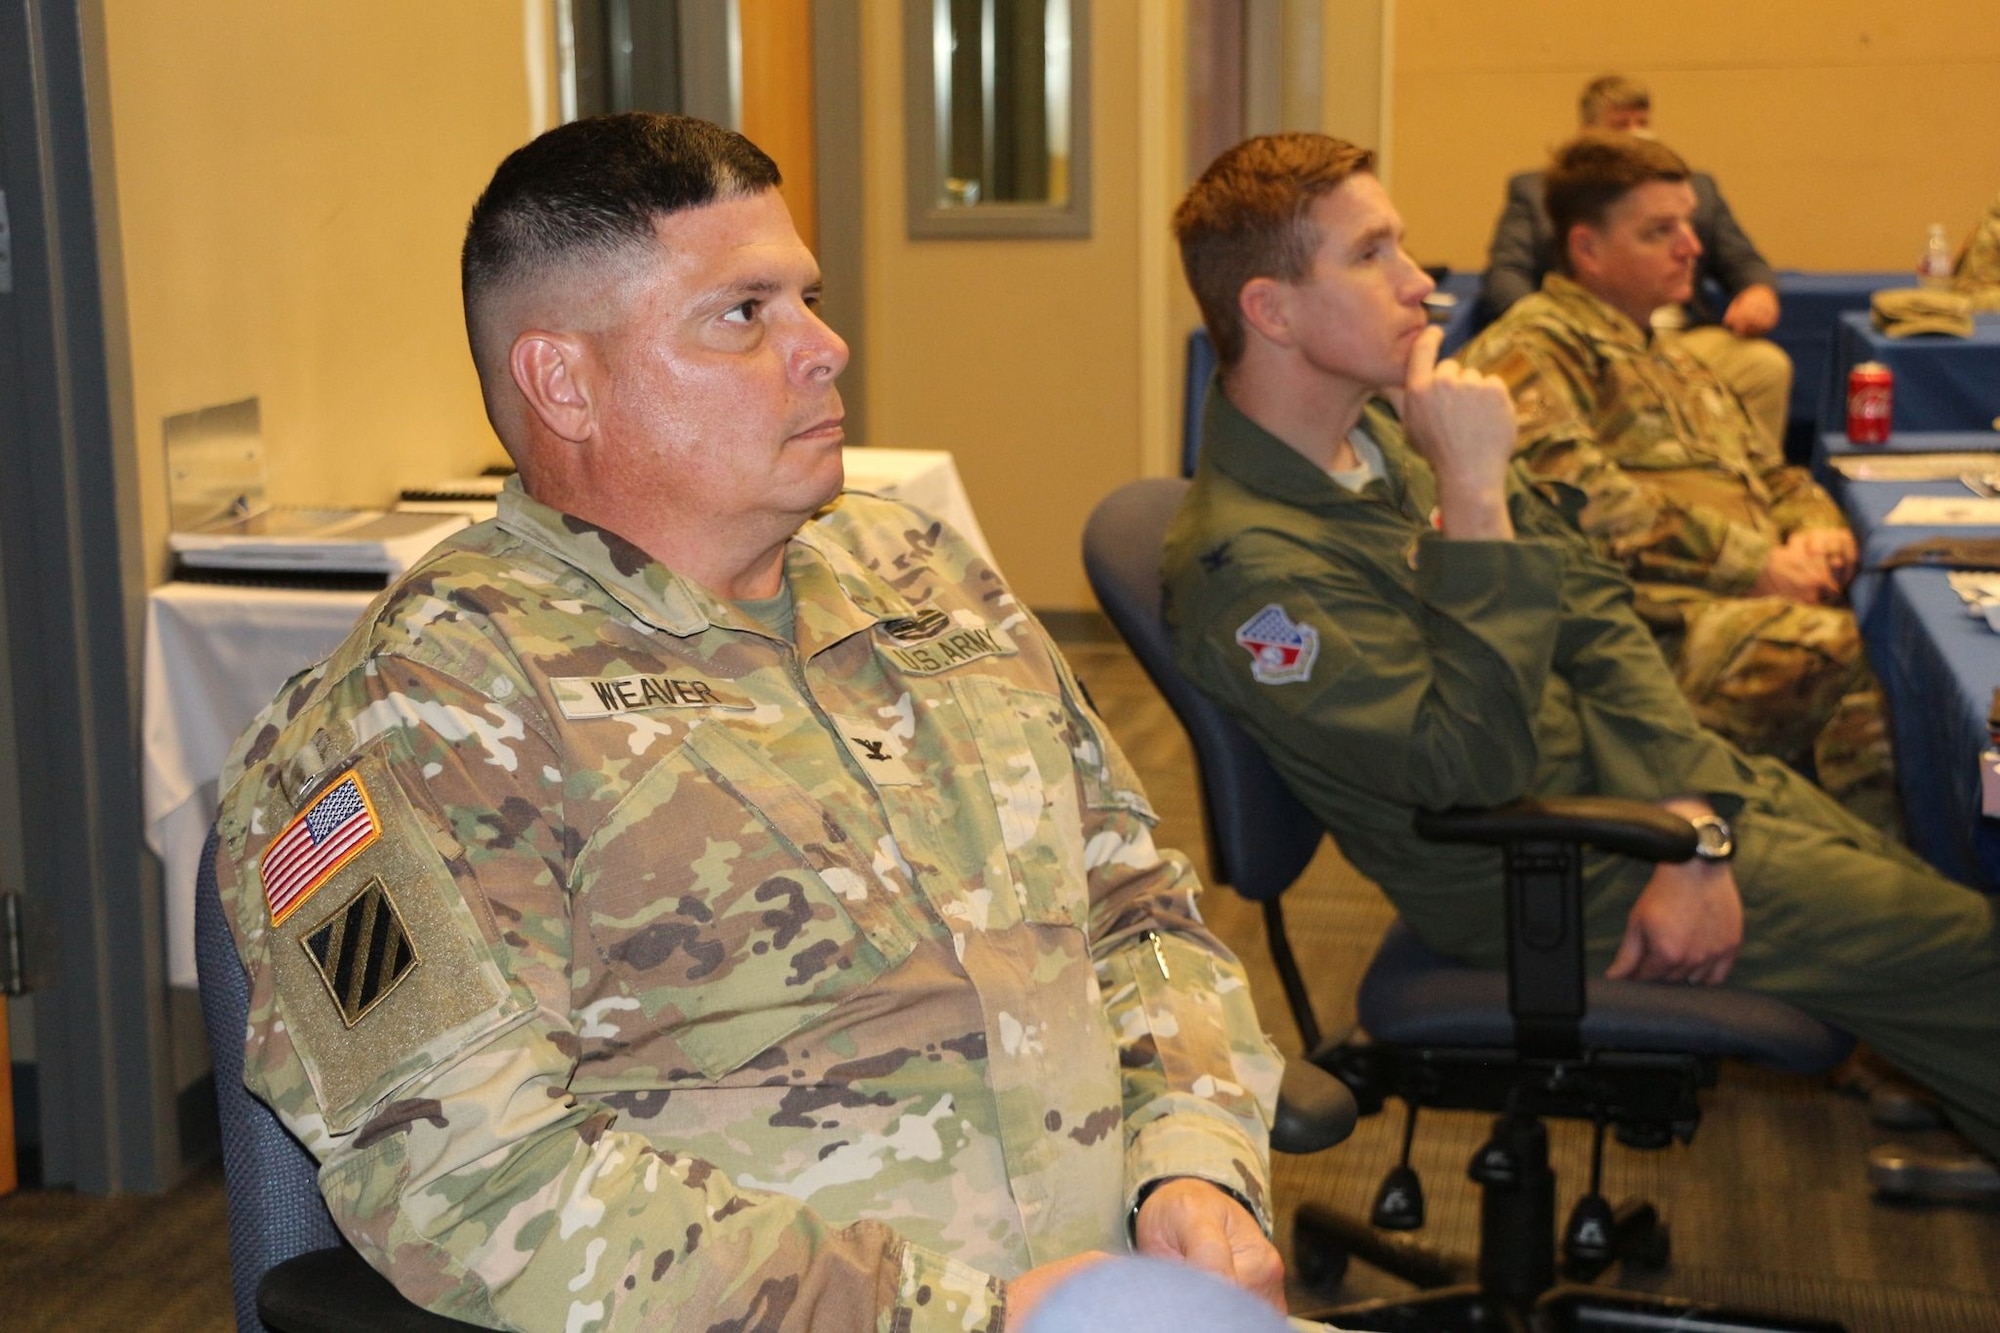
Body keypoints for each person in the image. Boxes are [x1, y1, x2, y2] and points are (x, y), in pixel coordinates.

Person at [212, 112, 1287, 1331]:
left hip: (1126, 1296)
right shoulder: (425, 705)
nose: (825, 346)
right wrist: (950, 1316)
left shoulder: (921, 575)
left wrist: (1191, 1157)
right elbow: (469, 1178)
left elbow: (1135, 908)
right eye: (744, 314)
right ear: (563, 382)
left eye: (808, 298)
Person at [1163, 132, 2000, 1194]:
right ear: (1270, 311)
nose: (1420, 282)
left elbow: (1595, 611)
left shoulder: (1389, 439)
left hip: (1640, 792)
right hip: (1532, 868)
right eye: (1371, 254)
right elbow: (1464, 772)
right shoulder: (1249, 566)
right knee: (1969, 954)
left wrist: (1687, 816)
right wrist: (1471, 503)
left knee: (1942, 899)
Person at [1460, 130, 1895, 833]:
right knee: (1848, 649)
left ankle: (1853, 853)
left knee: (1890, 619)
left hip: (1730, 605)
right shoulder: (1531, 347)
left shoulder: (1671, 358)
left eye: (1687, 224)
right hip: (1642, 640)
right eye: (1660, 231)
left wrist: (1813, 523)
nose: (1691, 246)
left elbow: (1771, 469)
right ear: (1587, 249)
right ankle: (1876, 881)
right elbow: (1582, 499)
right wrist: (1759, 564)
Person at [1477, 75, 1792, 451]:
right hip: (1586, 339)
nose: (1689, 248)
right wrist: (1549, 329)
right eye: (1659, 232)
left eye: (1642, 122)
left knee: (1764, 366)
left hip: (1682, 339)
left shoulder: (1691, 188)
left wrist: (1758, 291)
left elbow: (1742, 259)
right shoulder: (1538, 192)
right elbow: (1505, 274)